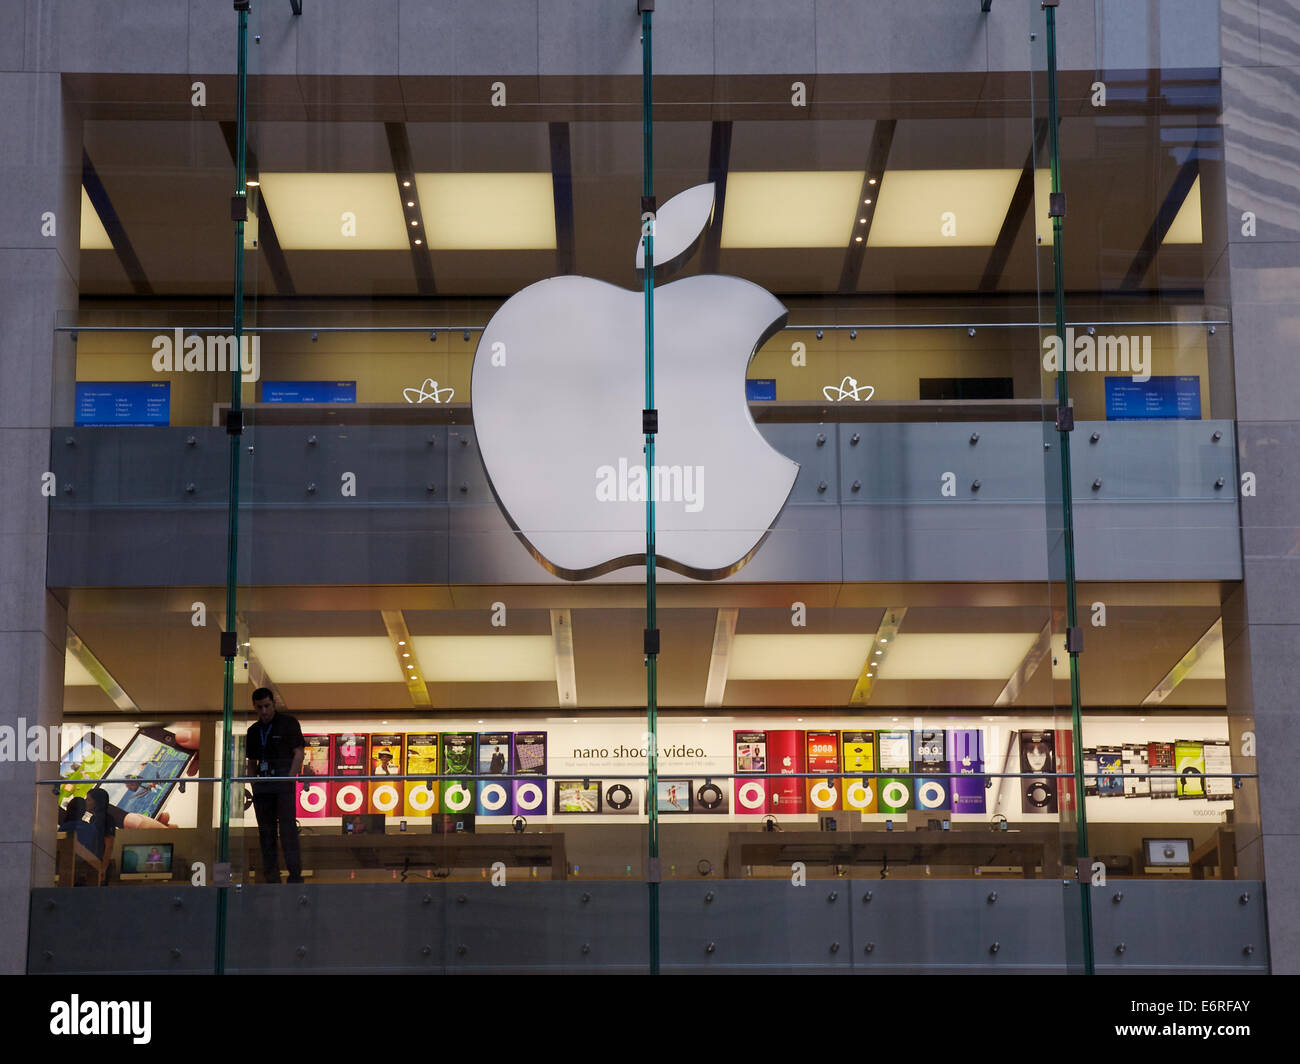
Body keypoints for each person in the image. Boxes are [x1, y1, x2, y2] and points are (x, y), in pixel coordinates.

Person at [245, 687, 305, 884]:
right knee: (266, 831)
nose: (264, 711)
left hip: (283, 784)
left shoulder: (289, 723)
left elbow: (299, 753)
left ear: (274, 704)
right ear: (254, 707)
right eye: (259, 707)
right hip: (262, 787)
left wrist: (289, 778)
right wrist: (253, 784)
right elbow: (251, 762)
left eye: (267, 706)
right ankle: (271, 874)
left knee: (287, 830)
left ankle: (295, 874)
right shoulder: (253, 731)